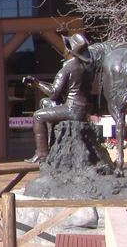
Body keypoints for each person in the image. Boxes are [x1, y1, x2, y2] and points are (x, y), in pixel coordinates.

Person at [23, 33, 94, 163]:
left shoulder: (67, 68)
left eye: (66, 47)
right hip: (84, 110)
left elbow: (54, 92)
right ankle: (52, 142)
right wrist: (39, 83)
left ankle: (42, 152)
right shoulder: (86, 68)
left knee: (38, 116)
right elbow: (63, 89)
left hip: (73, 110)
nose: (64, 50)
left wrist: (38, 84)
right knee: (44, 102)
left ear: (69, 51)